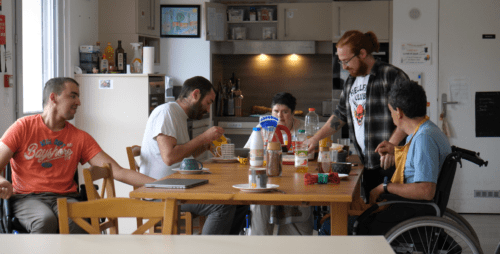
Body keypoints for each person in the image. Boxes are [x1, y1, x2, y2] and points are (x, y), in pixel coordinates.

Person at [0, 77, 155, 233]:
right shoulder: (23, 127)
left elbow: (118, 172)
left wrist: (161, 185)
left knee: (77, 220)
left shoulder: (79, 137)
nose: (79, 102)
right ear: (53, 97)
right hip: (28, 198)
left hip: (66, 198)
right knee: (45, 220)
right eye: (73, 96)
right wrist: (1, 181)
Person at [305, 30, 409, 201]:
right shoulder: (351, 81)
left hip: (391, 162)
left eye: (346, 61)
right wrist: (315, 139)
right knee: (372, 211)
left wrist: (392, 146)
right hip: (367, 162)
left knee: (390, 214)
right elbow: (340, 115)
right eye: (341, 62)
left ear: (362, 53)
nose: (344, 67)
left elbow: (407, 115)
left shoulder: (390, 75)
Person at [139, 76, 236, 235]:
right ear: (195, 95)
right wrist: (202, 138)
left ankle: (220, 247)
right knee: (223, 205)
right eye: (208, 103)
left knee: (236, 200)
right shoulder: (167, 112)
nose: (208, 109)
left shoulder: (178, 115)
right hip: (160, 192)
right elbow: (169, 157)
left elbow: (181, 155)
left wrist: (205, 145)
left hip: (177, 185)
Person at [357, 80, 452, 235]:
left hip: (412, 210)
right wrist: (395, 151)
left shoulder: (424, 139)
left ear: (399, 112)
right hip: (413, 207)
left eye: (391, 111)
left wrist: (384, 187)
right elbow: (418, 165)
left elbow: (425, 190)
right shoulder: (426, 131)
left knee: (353, 225)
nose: (391, 116)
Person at [250, 92, 313, 235]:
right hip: (268, 175)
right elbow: (251, 151)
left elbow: (311, 153)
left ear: (292, 113)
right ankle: (259, 240)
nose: (280, 116)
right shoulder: (263, 126)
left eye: (285, 112)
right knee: (260, 202)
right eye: (276, 111)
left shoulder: (302, 128)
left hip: (295, 176)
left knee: (297, 199)